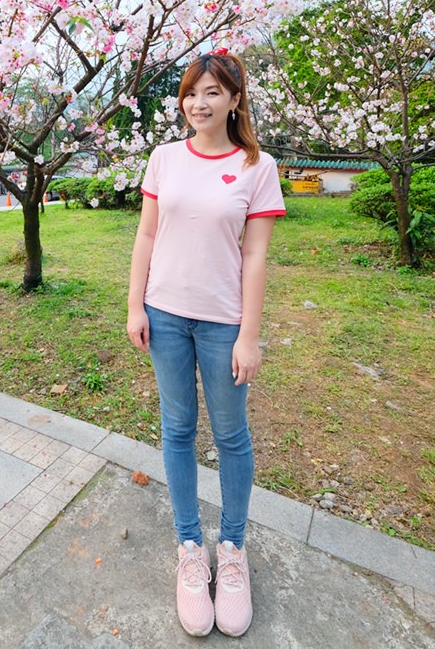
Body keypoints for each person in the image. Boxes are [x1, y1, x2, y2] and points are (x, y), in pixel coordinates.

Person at [127, 49, 286, 639]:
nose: (200, 103)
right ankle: (190, 548)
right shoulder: (164, 159)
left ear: (235, 100)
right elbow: (147, 236)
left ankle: (233, 550)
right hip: (165, 316)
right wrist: (134, 306)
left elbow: (256, 254)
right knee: (175, 429)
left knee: (229, 434)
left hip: (223, 324)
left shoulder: (256, 165)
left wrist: (249, 334)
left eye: (214, 92)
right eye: (192, 93)